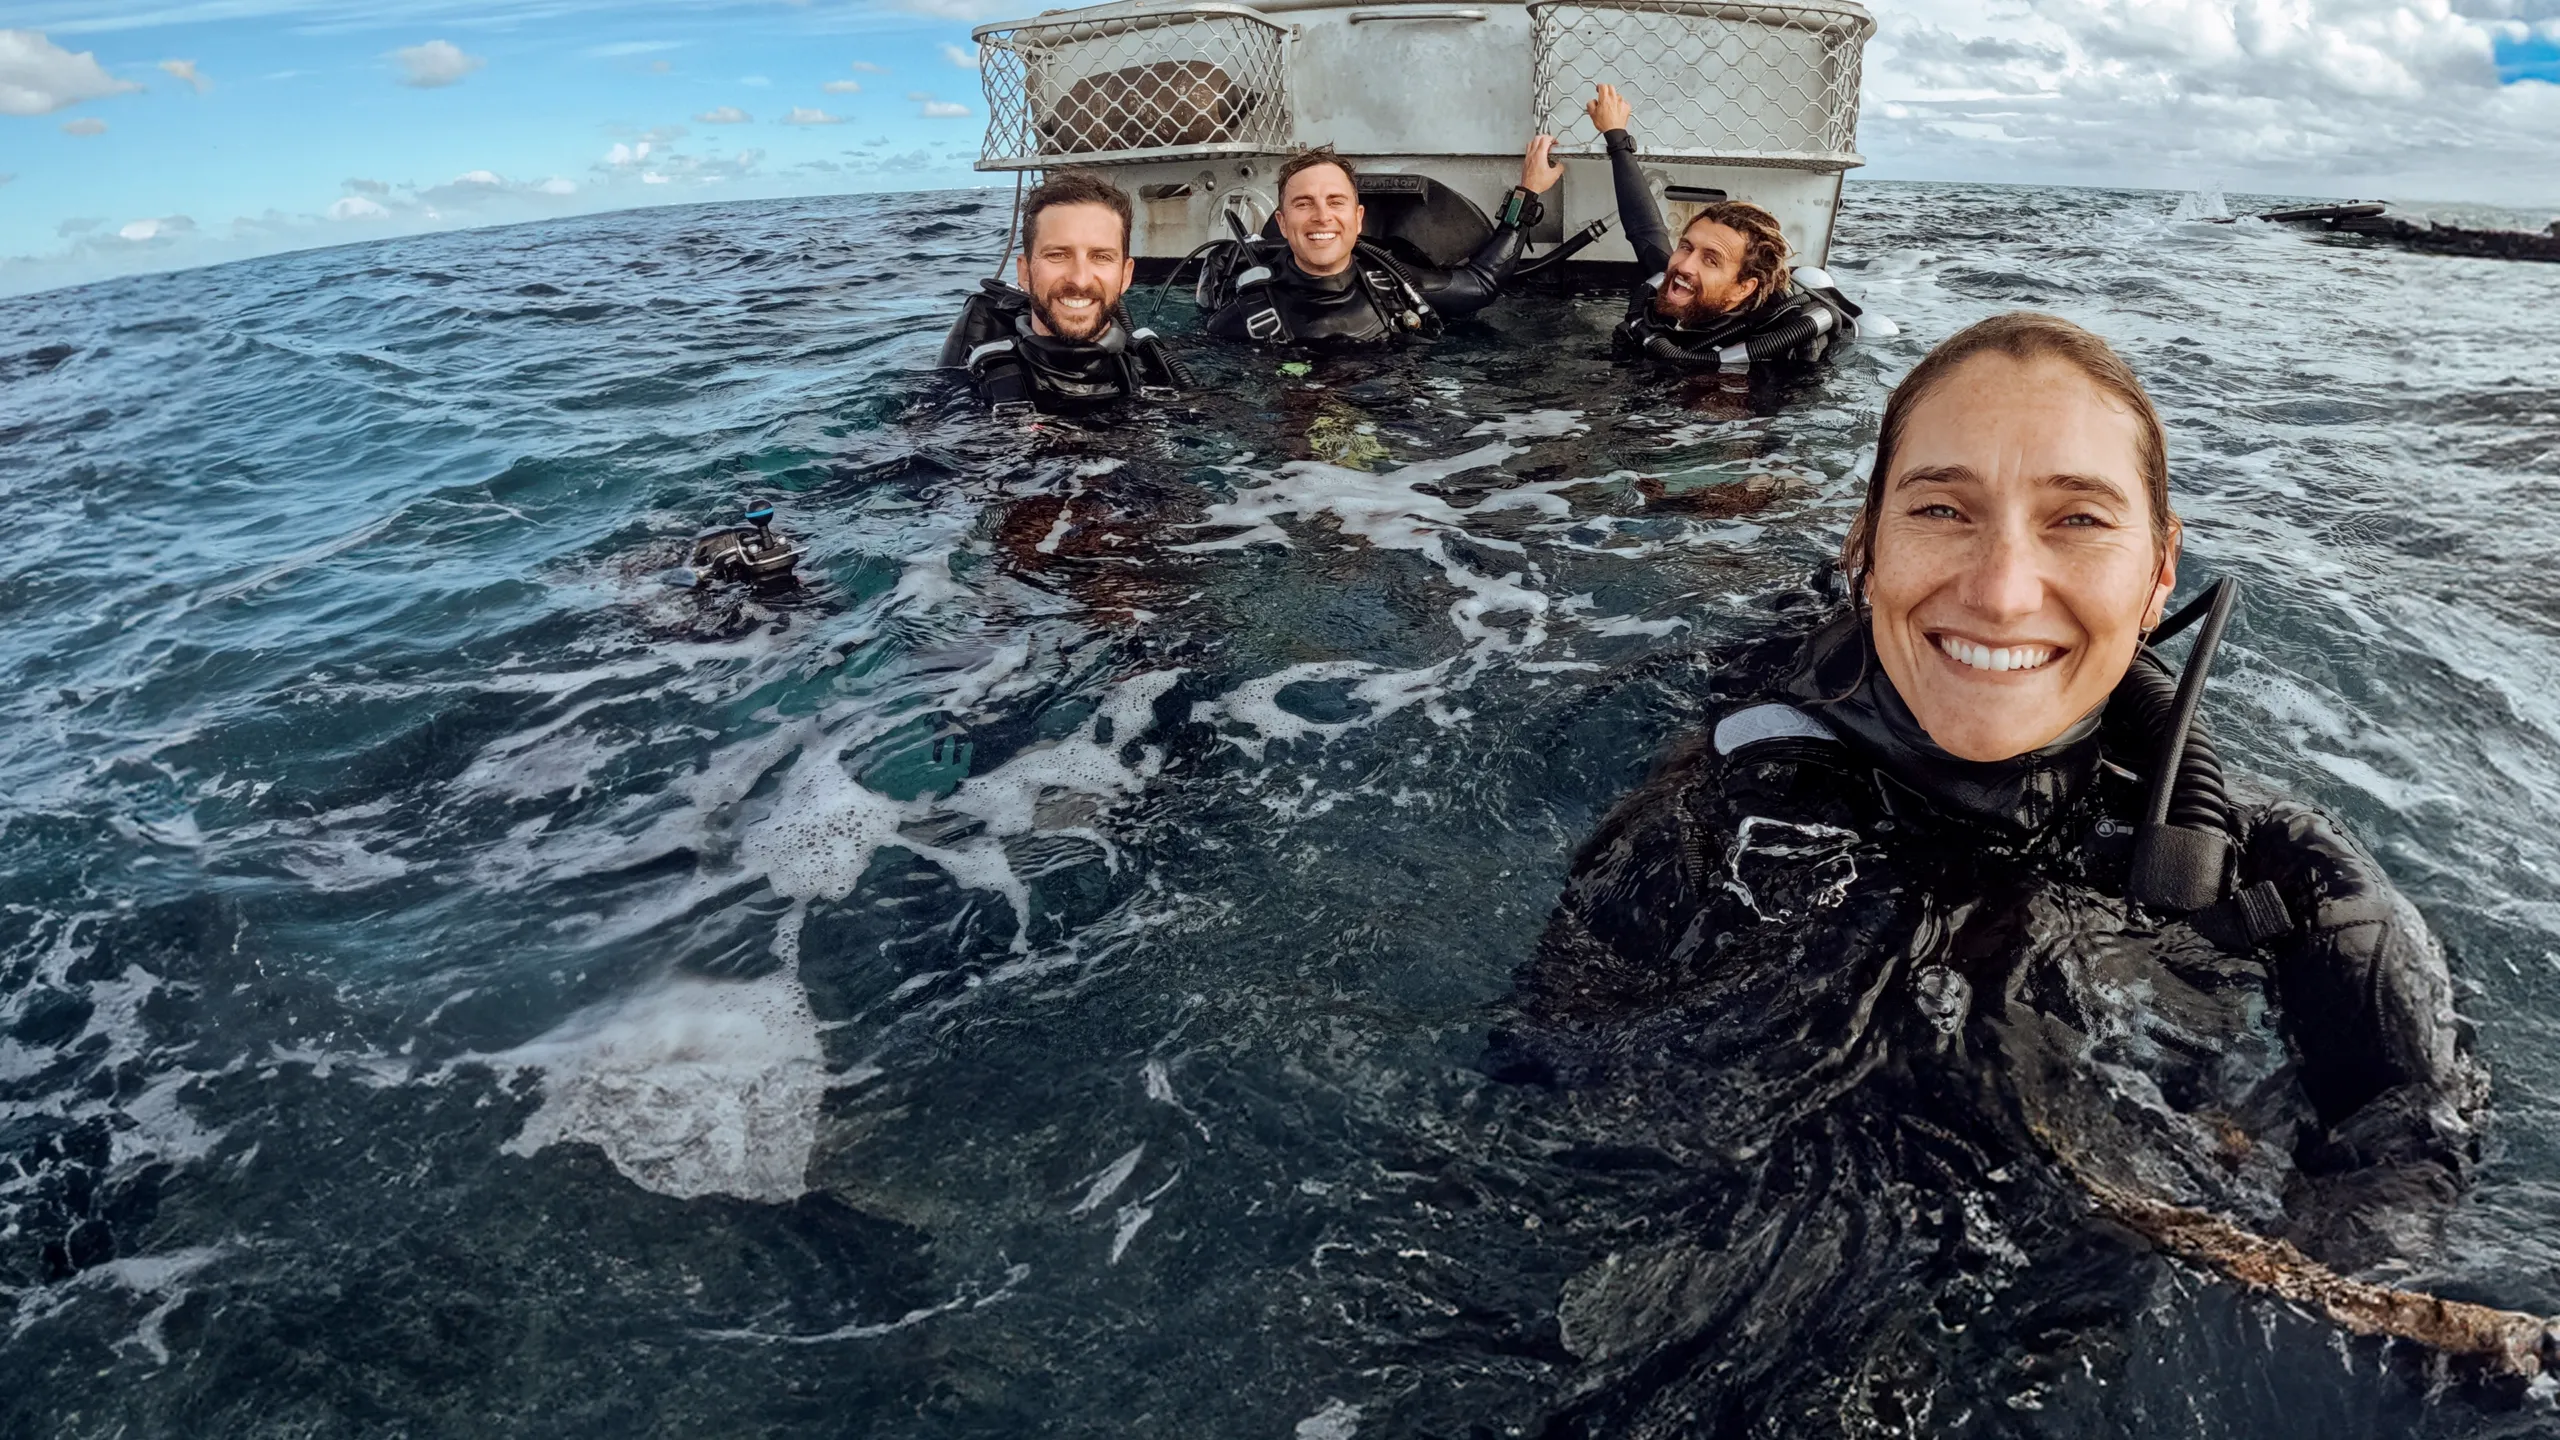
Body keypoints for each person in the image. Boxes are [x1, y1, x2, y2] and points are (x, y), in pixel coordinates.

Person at [1504, 312, 2492, 1429]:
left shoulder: (2287, 880)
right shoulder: (1712, 804)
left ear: (2160, 569)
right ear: (1863, 546)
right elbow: (1550, 1077)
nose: (2002, 590)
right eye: (1939, 510)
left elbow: (2406, 1154)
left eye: (2076, 519)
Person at [1585, 82, 1880, 370]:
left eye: (1711, 260)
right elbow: (1645, 230)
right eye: (1686, 246)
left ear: (1743, 288)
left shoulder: (1782, 355)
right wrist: (1616, 135)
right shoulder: (1679, 286)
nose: (1685, 265)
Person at [1198, 140, 1563, 345]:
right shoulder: (1240, 322)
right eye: (1303, 203)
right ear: (1281, 222)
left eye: (1335, 202)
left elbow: (1482, 283)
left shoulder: (1395, 286)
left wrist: (1527, 193)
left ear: (1358, 219)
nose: (1322, 216)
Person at [938, 170, 1187, 412]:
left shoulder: (1161, 376)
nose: (1079, 280)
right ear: (1025, 273)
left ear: (1126, 275)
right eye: (1057, 255)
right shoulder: (971, 393)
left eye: (1100, 256)